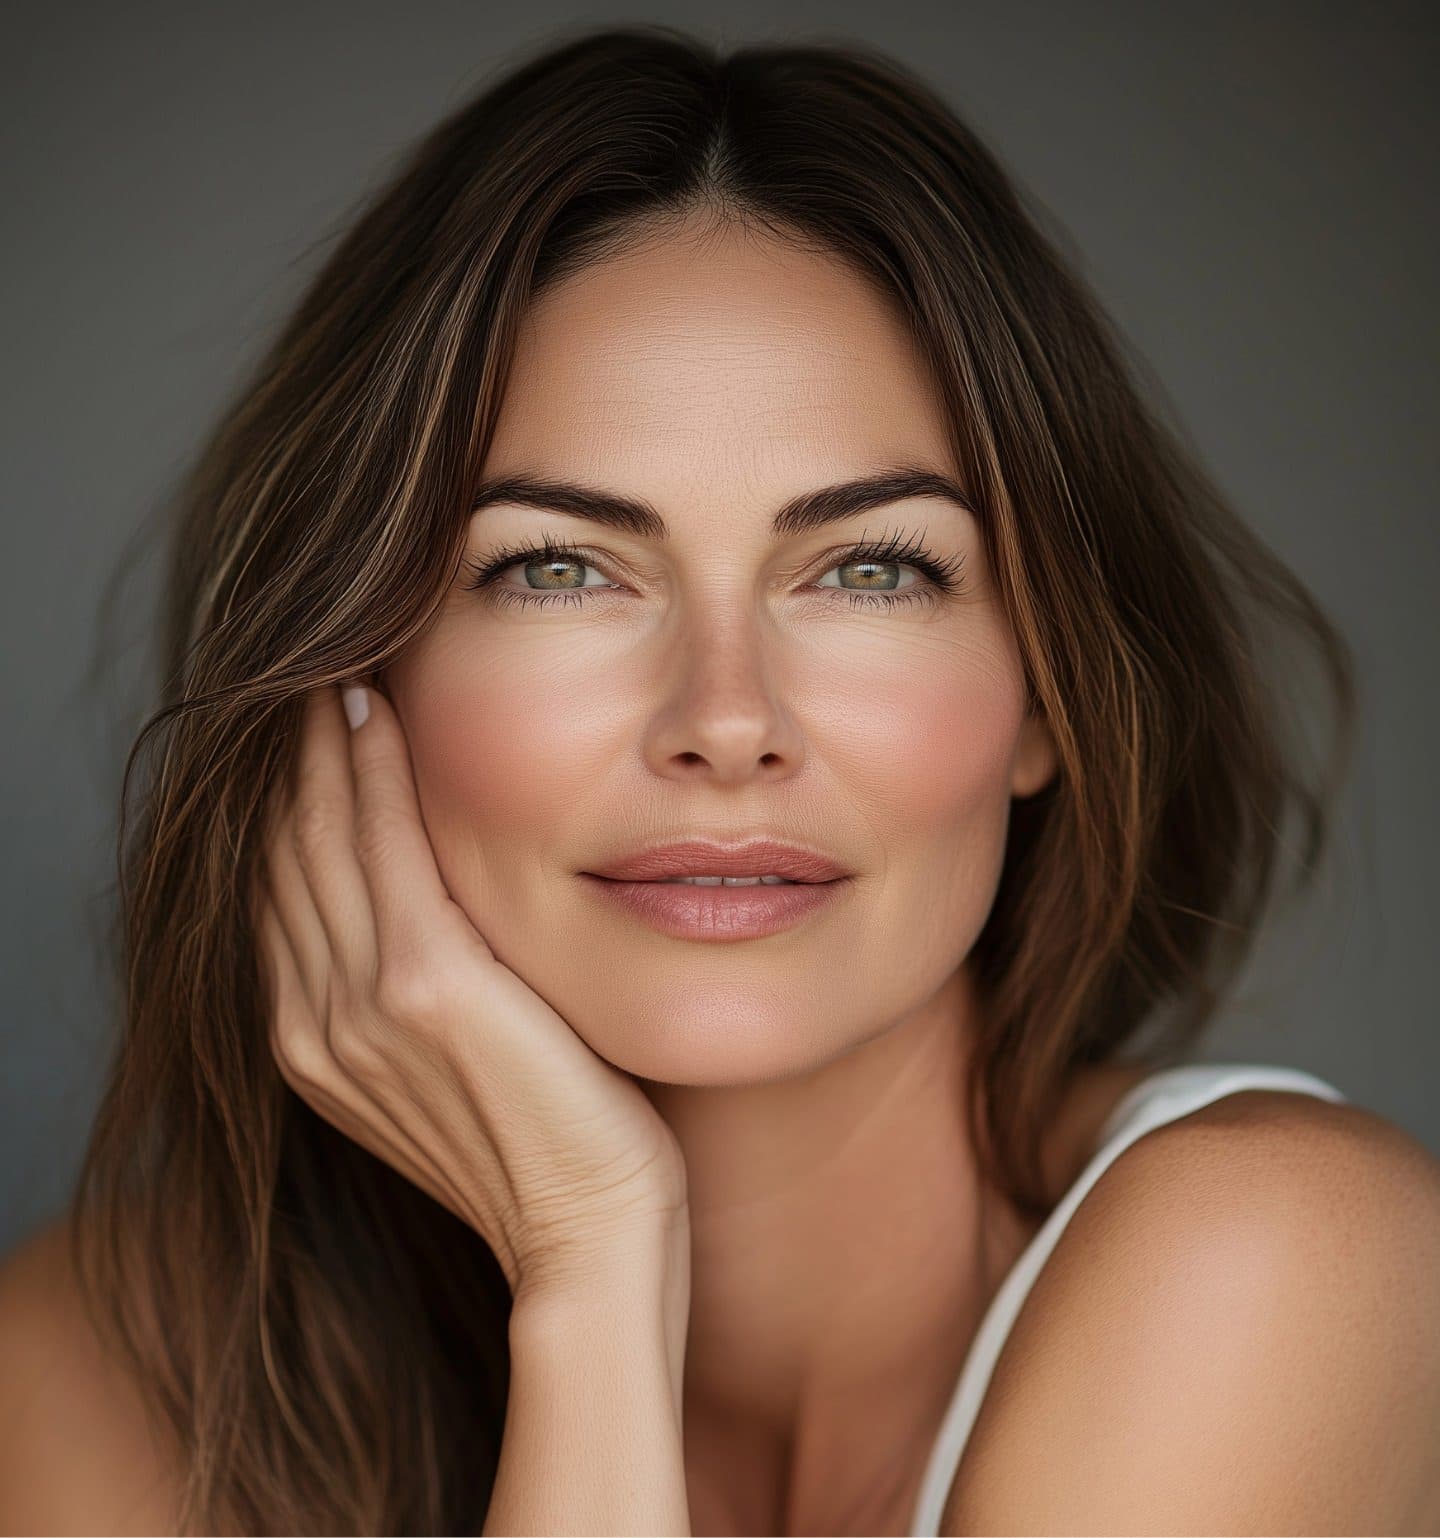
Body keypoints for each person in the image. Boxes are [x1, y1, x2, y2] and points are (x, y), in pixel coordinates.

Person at [2, 22, 1438, 1537]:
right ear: (357, 685)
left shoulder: (1275, 1259)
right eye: (558, 568)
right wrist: (597, 1280)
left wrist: (590, 1262)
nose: (727, 718)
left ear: (1048, 698)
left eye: (873, 570)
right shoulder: (104, 1379)